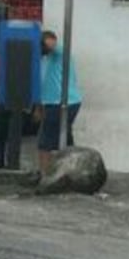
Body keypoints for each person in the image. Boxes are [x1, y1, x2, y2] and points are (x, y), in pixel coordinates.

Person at [35, 30, 83, 175]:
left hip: (62, 102)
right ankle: (69, 171)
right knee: (65, 139)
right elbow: (43, 82)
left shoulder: (60, 52)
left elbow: (50, 43)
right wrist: (40, 106)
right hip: (55, 102)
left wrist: (41, 41)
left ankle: (46, 174)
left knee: (45, 142)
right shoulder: (46, 59)